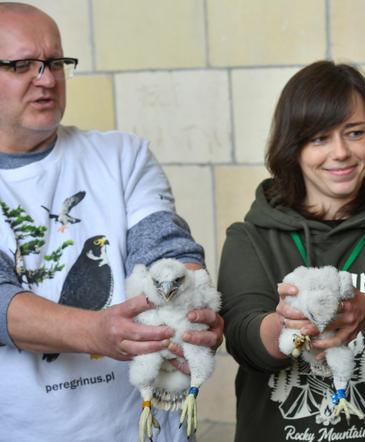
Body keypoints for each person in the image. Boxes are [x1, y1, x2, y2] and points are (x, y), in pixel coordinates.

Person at [0, 4, 223, 441]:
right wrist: (97, 332)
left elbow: (164, 249)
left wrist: (192, 304)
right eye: (23, 65)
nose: (46, 79)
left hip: (145, 429)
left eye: (56, 62)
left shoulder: (121, 155)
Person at [218, 60, 365, 442]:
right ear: (292, 147)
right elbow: (244, 340)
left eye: (354, 132)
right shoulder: (251, 237)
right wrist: (291, 323)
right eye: (319, 138)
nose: (340, 152)